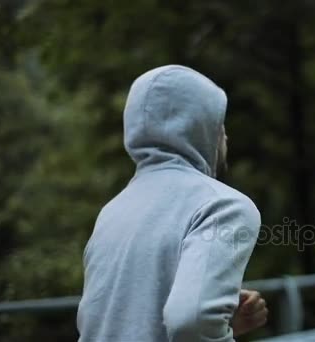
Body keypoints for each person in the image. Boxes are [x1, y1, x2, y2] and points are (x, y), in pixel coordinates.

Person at [77, 65, 267, 342]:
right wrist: (208, 320)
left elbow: (113, 324)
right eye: (219, 124)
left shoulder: (112, 212)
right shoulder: (223, 206)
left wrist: (222, 318)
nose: (225, 136)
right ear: (198, 126)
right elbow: (192, 321)